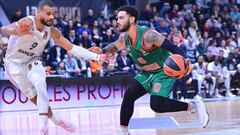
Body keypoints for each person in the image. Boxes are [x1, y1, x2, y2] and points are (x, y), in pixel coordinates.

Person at [89, 5, 209, 135]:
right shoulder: (124, 39)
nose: (117, 21)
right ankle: (123, 131)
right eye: (117, 18)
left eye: (121, 18)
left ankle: (192, 106)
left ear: (131, 19)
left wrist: (186, 60)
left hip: (165, 71)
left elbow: (173, 48)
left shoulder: (149, 35)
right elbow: (113, 47)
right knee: (129, 95)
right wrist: (101, 51)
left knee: (156, 105)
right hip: (147, 72)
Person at [0, 0, 107, 134]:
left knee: (40, 83)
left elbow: (72, 48)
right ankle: (56, 120)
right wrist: (9, 31)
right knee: (37, 100)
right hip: (14, 66)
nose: (52, 17)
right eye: (48, 14)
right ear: (38, 13)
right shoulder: (27, 22)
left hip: (32, 61)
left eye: (54, 14)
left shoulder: (52, 31)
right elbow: (10, 28)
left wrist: (97, 57)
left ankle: (42, 128)